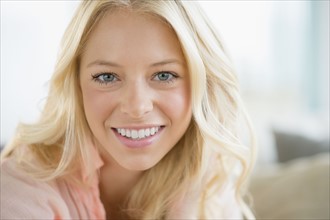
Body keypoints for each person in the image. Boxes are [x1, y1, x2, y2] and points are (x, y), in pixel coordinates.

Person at [1, 0, 257, 219]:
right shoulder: (18, 189)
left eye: (164, 75)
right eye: (107, 77)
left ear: (202, 82)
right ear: (76, 85)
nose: (136, 107)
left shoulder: (210, 179)